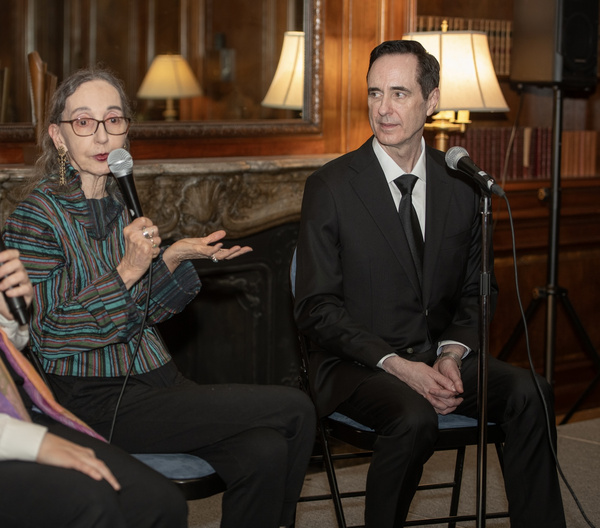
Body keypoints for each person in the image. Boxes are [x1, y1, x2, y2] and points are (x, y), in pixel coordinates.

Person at [2, 67, 315, 528]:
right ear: (59, 136)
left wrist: (170, 260)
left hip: (156, 380)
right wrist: (128, 269)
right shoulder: (36, 218)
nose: (102, 134)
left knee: (264, 451)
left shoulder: (119, 202)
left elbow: (140, 314)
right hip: (93, 399)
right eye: (84, 122)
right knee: (296, 407)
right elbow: (50, 336)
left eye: (114, 119)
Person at [293, 40, 566, 528]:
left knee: (532, 392)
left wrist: (451, 354)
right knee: (414, 417)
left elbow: (476, 291)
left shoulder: (461, 183)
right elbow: (316, 308)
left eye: (399, 93)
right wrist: (400, 366)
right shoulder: (331, 186)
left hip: (440, 357)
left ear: (431, 101)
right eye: (375, 93)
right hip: (359, 365)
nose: (383, 108)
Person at [0, 246, 188, 528]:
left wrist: (8, 320)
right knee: (93, 502)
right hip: (39, 415)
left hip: (19, 408)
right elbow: (52, 336)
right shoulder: (39, 218)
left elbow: (11, 351)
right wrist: (36, 443)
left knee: (159, 500)